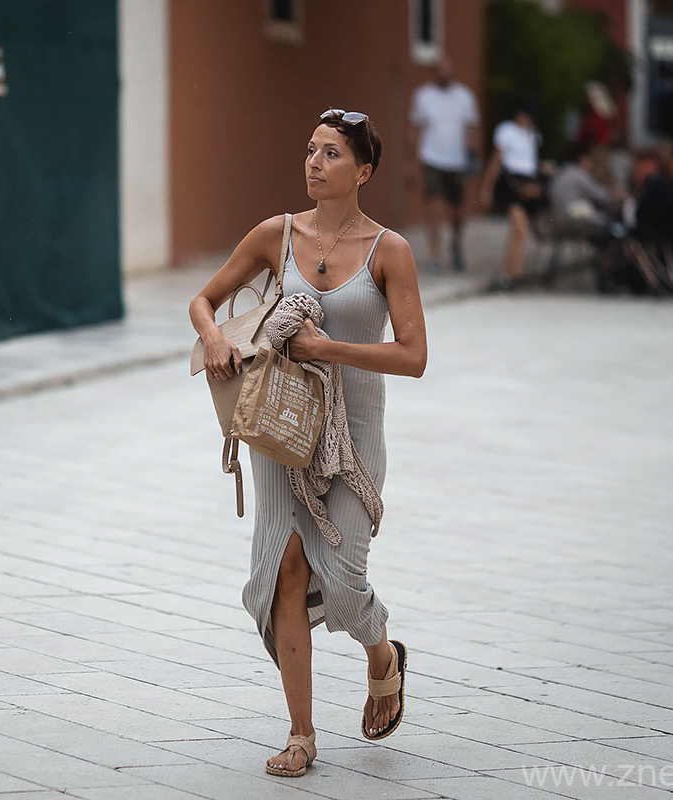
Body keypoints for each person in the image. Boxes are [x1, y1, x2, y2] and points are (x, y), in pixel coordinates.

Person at [189, 109, 427, 778]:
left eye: (332, 154)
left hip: (355, 434)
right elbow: (203, 300)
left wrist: (327, 348)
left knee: (345, 583)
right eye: (311, 150)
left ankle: (381, 653)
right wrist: (214, 339)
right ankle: (301, 734)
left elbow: (413, 356)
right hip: (281, 427)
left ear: (364, 171)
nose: (315, 163)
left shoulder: (389, 250)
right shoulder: (277, 234)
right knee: (286, 571)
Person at [409, 55, 480, 274]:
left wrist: (472, 155)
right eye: (440, 69)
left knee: (457, 209)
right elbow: (415, 129)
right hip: (431, 158)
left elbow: (472, 128)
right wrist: (410, 162)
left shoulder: (465, 97)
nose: (444, 73)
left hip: (457, 160)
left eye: (447, 69)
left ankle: (456, 245)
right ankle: (435, 254)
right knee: (433, 206)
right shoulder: (423, 96)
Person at [480, 100, 544, 290]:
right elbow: (497, 160)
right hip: (511, 181)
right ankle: (509, 274)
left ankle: (514, 272)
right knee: (519, 226)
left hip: (527, 180)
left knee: (520, 231)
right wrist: (487, 188)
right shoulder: (506, 131)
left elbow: (530, 162)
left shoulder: (533, 135)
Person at [549, 142, 624, 239]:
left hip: (557, 217)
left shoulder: (562, 171)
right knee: (610, 224)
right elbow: (602, 195)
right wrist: (618, 194)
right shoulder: (578, 174)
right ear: (582, 158)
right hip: (573, 219)